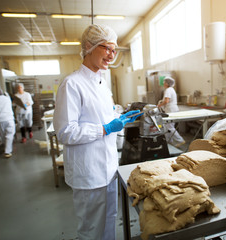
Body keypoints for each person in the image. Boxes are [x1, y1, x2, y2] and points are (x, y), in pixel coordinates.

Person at [53, 24, 141, 240]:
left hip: (109, 168)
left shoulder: (102, 83)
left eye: (114, 50)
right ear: (89, 47)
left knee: (109, 221)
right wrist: (105, 128)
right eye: (107, 48)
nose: (112, 55)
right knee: (92, 229)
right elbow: (65, 132)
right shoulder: (72, 84)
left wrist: (116, 118)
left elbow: (99, 116)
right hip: (89, 172)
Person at [157, 76, 186, 148]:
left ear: (167, 83)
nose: (163, 83)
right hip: (172, 109)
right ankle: (169, 141)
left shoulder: (168, 90)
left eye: (164, 82)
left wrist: (159, 105)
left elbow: (166, 101)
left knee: (169, 126)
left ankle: (180, 140)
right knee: (167, 126)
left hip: (171, 109)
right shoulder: (171, 89)